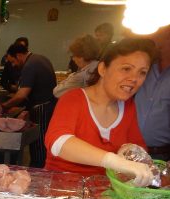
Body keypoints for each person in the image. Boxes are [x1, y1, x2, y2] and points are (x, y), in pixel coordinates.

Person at [44, 38, 156, 186]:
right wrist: (112, 160)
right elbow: (58, 142)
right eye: (126, 69)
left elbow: (138, 145)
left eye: (142, 73)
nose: (134, 79)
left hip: (104, 195)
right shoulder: (73, 99)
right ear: (102, 69)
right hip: (62, 190)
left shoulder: (128, 106)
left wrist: (130, 150)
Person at [2, 43, 57, 167]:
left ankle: (39, 171)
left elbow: (22, 94)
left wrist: (4, 106)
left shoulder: (30, 65)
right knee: (43, 143)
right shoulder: (41, 58)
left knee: (39, 145)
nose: (13, 65)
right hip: (49, 105)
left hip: (41, 109)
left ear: (19, 55)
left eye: (13, 61)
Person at [135, 25, 170, 161]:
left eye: (161, 39)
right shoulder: (145, 67)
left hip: (161, 154)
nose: (157, 44)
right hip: (130, 147)